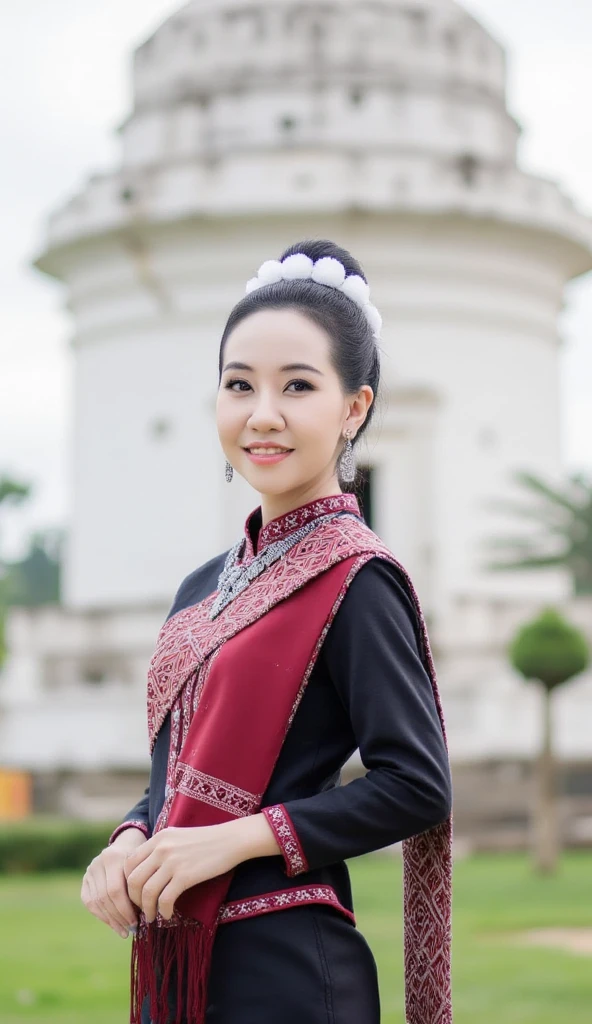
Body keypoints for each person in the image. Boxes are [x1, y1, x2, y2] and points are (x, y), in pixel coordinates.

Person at [81, 239, 453, 1024]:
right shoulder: (201, 587)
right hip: (177, 966)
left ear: (355, 408)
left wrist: (234, 839)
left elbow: (416, 785)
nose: (263, 414)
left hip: (287, 971)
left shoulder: (358, 578)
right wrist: (127, 839)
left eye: (298, 386)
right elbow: (173, 772)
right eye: (239, 384)